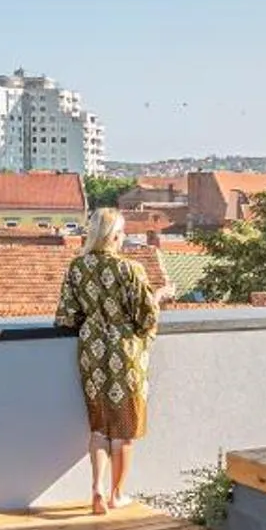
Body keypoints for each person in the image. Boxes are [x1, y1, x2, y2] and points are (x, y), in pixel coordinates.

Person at [54, 208, 170, 513]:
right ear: (115, 235)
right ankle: (116, 495)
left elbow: (67, 316)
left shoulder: (77, 267)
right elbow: (147, 316)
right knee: (124, 430)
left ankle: (96, 489)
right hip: (125, 352)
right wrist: (159, 295)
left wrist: (95, 320)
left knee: (99, 428)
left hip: (92, 351)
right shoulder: (130, 269)